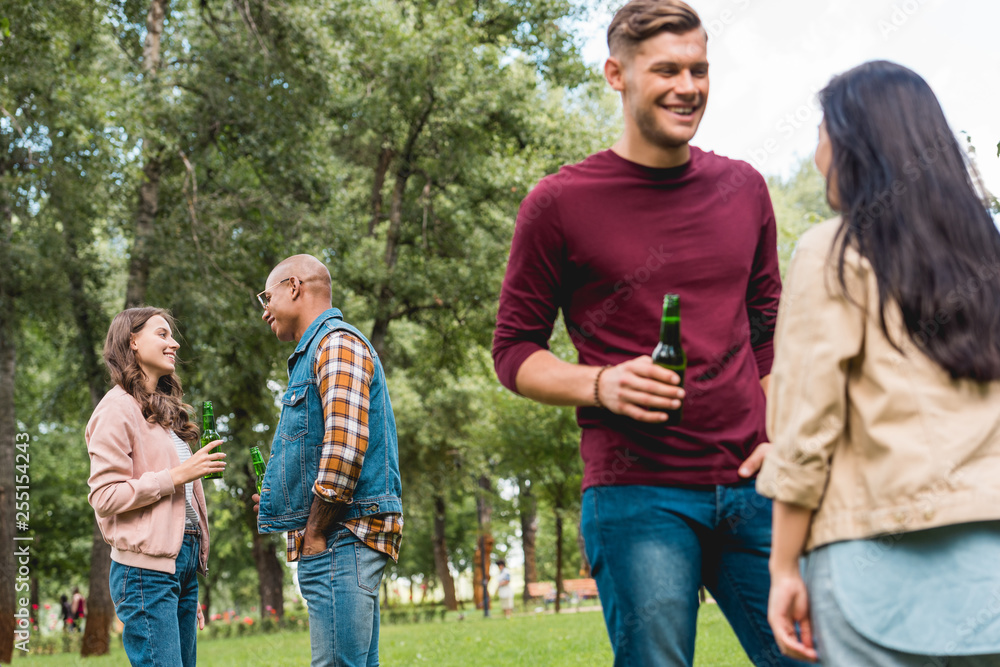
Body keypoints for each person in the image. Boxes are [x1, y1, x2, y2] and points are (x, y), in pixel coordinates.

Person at [492, 1, 802, 665]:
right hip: (638, 495)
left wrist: (783, 436)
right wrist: (600, 383)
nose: (688, 87)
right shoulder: (559, 203)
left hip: (755, 485)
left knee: (815, 654)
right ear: (616, 74)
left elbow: (769, 332)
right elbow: (514, 350)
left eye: (699, 69)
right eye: (666, 70)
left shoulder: (744, 189)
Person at [758, 60, 1000, 665]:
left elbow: (806, 427)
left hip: (872, 569)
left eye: (821, 135)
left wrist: (784, 566)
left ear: (851, 143)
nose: (817, 156)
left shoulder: (833, 252)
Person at [251, 254, 403, 667]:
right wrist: (281, 498)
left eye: (267, 296)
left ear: (295, 287)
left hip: (340, 537)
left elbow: (345, 445)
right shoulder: (320, 351)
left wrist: (315, 533)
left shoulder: (335, 344)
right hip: (339, 537)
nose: (264, 310)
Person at [86, 307, 222, 667]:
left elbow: (179, 508)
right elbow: (104, 496)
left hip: (180, 563)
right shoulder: (116, 409)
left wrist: (186, 581)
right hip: (145, 572)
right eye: (162, 334)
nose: (173, 343)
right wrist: (177, 475)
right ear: (132, 341)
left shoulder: (162, 411)